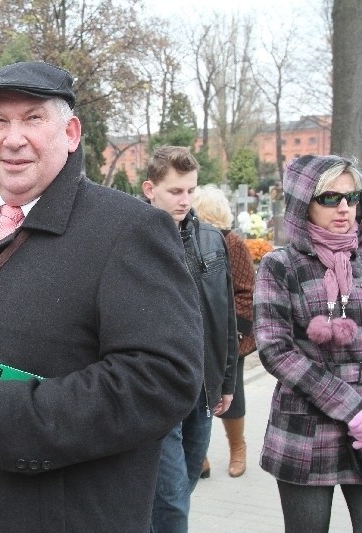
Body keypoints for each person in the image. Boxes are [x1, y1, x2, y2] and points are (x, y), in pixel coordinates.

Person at [0, 61, 204, 531]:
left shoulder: (128, 229)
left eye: (33, 118)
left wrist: (25, 419)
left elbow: (164, 376)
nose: (13, 138)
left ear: (72, 132)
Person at [254, 154, 362, 532]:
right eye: (330, 198)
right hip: (305, 432)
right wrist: (350, 406)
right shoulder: (280, 265)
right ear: (303, 203)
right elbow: (275, 350)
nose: (344, 208)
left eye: (352, 197)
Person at [142, 146, 238, 532]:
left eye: (190, 190)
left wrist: (227, 381)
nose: (185, 200)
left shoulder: (212, 239)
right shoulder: (131, 237)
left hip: (202, 389)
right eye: (175, 191)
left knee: (184, 487)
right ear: (150, 189)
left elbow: (225, 315)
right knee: (171, 502)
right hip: (156, 389)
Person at [192, 184, 256, 479]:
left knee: (232, 394)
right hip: (196, 336)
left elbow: (247, 292)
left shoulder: (232, 243)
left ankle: (237, 448)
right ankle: (199, 456)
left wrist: (239, 333)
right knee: (195, 395)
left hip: (231, 337)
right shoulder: (189, 239)